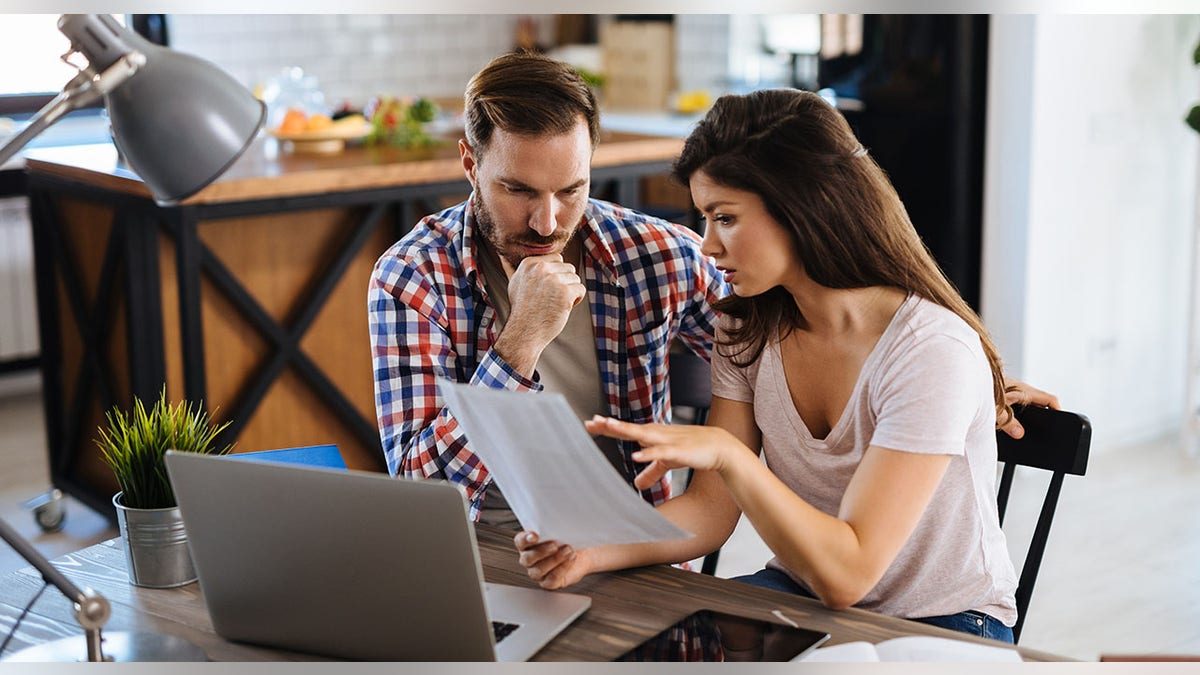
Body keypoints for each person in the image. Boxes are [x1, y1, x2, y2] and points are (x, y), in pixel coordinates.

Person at [514, 88, 1062, 644]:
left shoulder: (930, 350)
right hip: (799, 598)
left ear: (803, 207)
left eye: (725, 218)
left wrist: (731, 458)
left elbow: (848, 575)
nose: (707, 246)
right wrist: (588, 549)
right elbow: (709, 513)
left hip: (943, 625)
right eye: (705, 219)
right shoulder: (746, 327)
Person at [367, 51, 727, 527]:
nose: (547, 223)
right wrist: (520, 343)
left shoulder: (658, 255)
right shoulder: (413, 276)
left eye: (570, 190)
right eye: (519, 190)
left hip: (635, 549)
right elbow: (422, 494)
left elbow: (772, 371)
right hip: (483, 551)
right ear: (471, 164)